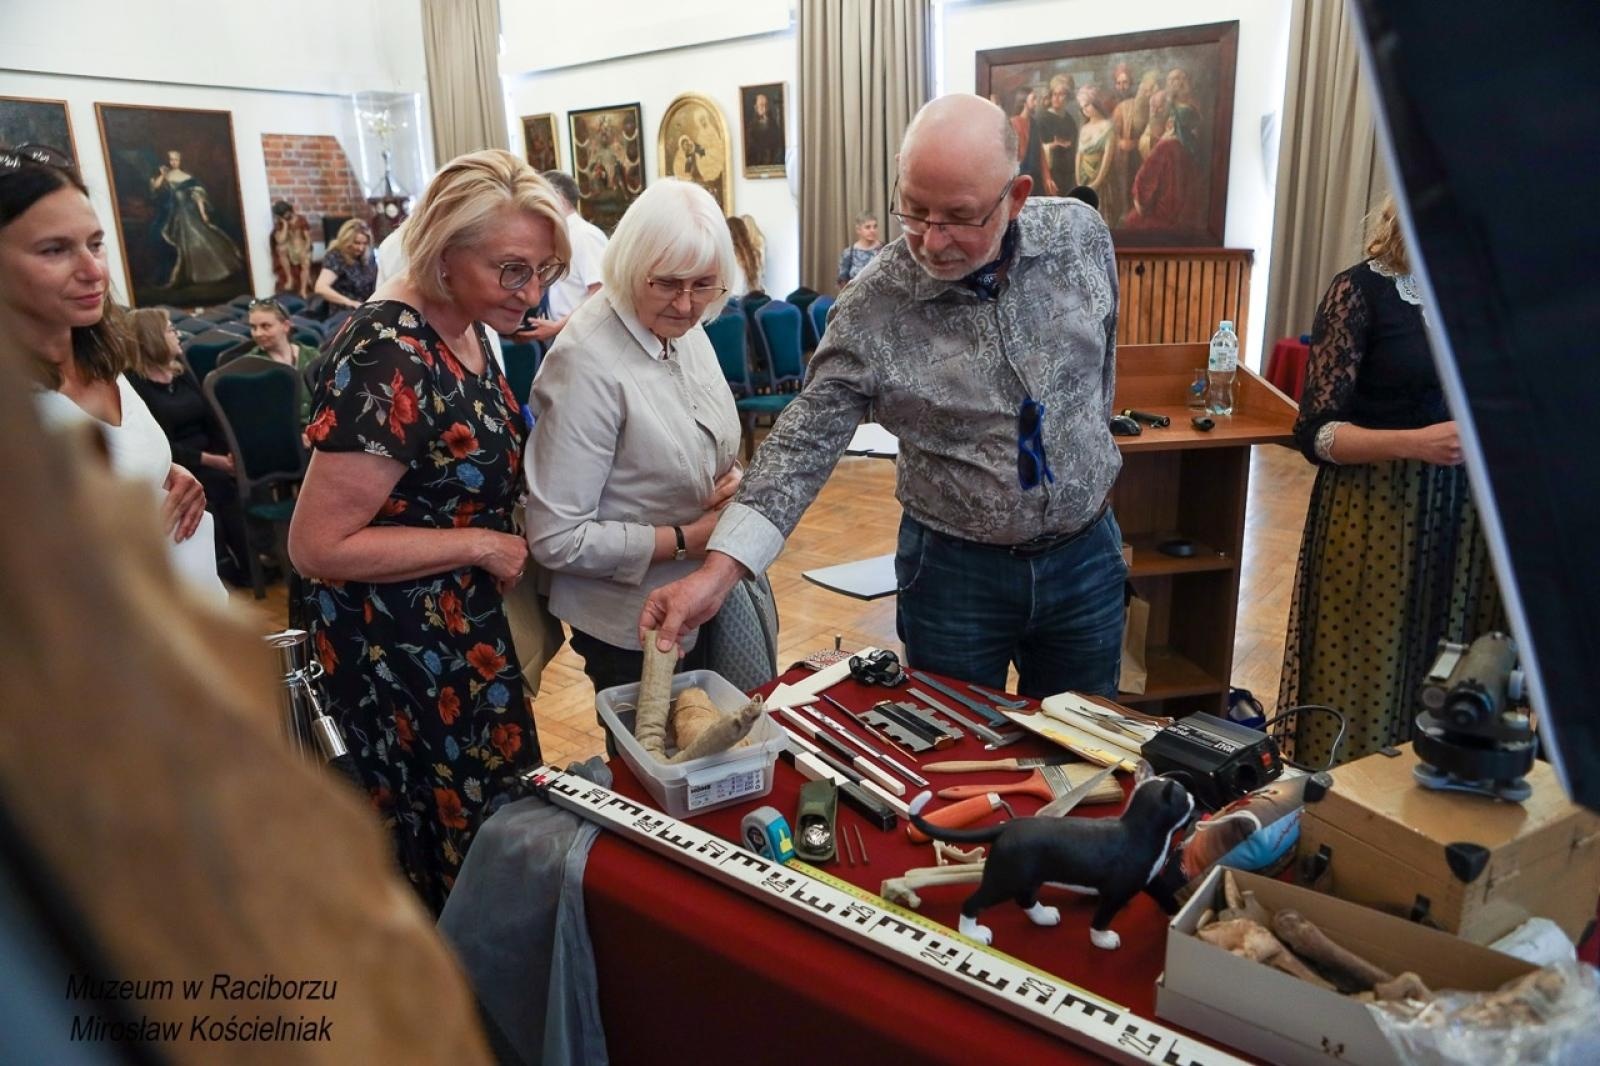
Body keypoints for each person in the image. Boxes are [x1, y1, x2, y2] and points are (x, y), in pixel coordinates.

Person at [640, 95, 1126, 701]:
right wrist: (718, 572)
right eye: (914, 210)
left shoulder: (1079, 238)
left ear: (1016, 196)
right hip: (957, 578)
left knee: (1087, 753)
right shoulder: (874, 306)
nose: (932, 239)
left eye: (959, 216)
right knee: (953, 754)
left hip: (1086, 558)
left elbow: (1102, 357)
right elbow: (801, 444)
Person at [287, 149, 571, 912]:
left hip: (453, 635)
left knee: (487, 843)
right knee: (434, 865)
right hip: (394, 655)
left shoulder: (475, 329)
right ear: (444, 255)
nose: (533, 291)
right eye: (513, 270)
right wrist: (478, 544)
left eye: (543, 268)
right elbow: (316, 547)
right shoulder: (390, 353)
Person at [1277, 198, 1504, 768]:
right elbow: (1316, 434)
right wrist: (1418, 442)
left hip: (1469, 516)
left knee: (1455, 670)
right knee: (1369, 673)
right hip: (1377, 512)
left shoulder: (1488, 299)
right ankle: (1352, 812)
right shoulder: (1361, 291)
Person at [525, 178, 744, 748]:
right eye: (668, 284)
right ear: (630, 264)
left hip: (701, 589)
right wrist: (685, 538)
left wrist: (733, 480)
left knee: (714, 756)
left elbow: (711, 438)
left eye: (703, 285)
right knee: (658, 768)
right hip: (630, 621)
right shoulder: (586, 362)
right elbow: (555, 540)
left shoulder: (684, 325)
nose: (687, 303)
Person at [2, 144, 223, 605]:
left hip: (191, 620)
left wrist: (163, 472)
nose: (93, 270)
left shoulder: (104, 364)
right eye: (55, 249)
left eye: (95, 244)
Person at [125, 307, 250, 586]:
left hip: (210, 459)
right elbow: (160, 443)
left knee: (225, 486)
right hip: (177, 464)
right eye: (170, 329)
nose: (176, 334)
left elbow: (212, 418)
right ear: (153, 337)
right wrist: (211, 460)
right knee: (213, 488)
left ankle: (246, 567)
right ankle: (221, 569)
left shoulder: (181, 372)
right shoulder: (135, 383)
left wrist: (227, 454)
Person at [511, 169, 606, 343]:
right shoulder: (558, 236)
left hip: (583, 339)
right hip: (563, 336)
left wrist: (557, 327)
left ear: (557, 197)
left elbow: (600, 296)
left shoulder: (584, 236)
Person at [148, 148, 245, 290]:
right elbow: (155, 189)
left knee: (198, 237)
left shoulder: (187, 177)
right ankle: (182, 275)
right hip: (171, 213)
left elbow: (198, 197)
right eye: (171, 159)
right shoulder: (164, 177)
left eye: (176, 159)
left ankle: (208, 272)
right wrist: (163, 175)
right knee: (173, 240)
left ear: (180, 161)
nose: (174, 162)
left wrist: (203, 213)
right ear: (167, 161)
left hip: (189, 212)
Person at [219, 297, 320, 425]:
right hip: (285, 435)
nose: (258, 333)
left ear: (286, 326)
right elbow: (259, 417)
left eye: (265, 326)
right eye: (253, 327)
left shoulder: (312, 355)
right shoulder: (250, 365)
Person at [1122, 103, 1202, 232]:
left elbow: (1143, 182)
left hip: (1161, 216)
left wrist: (1141, 206)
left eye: (1170, 119)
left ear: (1172, 123)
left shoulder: (1165, 147)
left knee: (1131, 222)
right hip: (1184, 217)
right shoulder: (1191, 150)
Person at [314, 217, 378, 320]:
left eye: (364, 244)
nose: (361, 248)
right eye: (356, 243)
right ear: (346, 240)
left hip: (366, 309)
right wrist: (350, 302)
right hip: (344, 313)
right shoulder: (336, 256)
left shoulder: (368, 256)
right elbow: (321, 288)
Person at [1032, 74, 1078, 197]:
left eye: (1061, 94)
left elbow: (1075, 147)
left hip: (1067, 174)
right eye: (1054, 94)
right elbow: (1034, 149)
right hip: (1049, 174)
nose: (1056, 98)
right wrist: (1051, 146)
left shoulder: (1070, 120)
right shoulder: (1041, 119)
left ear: (1068, 97)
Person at [1074, 86, 1115, 203]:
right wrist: (1078, 180)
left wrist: (1097, 182)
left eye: (1087, 105)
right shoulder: (1084, 128)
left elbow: (1108, 156)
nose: (1084, 110)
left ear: (1096, 103)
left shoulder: (1108, 126)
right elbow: (1079, 155)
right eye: (1082, 107)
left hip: (1100, 176)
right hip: (1083, 176)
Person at [269, 198, 313, 297]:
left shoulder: (301, 220)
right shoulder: (280, 224)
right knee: (281, 248)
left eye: (286, 213)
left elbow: (308, 238)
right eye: (282, 215)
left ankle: (303, 289)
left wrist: (306, 248)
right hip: (290, 248)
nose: (285, 216)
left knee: (305, 262)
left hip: (300, 246)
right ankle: (289, 278)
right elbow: (280, 240)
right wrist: (284, 225)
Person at [836, 211, 882, 288]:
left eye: (875, 226)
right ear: (858, 230)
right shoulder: (849, 253)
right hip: (856, 298)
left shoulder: (885, 250)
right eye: (868, 227)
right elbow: (842, 283)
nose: (872, 230)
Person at [729, 214, 766, 296]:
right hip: (752, 299)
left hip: (736, 301)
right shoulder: (754, 254)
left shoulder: (731, 258)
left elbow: (736, 291)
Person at [747, 91, 785, 168]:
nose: (764, 109)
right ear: (755, 107)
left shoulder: (773, 124)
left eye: (766, 105)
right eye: (761, 105)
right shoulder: (750, 126)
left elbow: (778, 143)